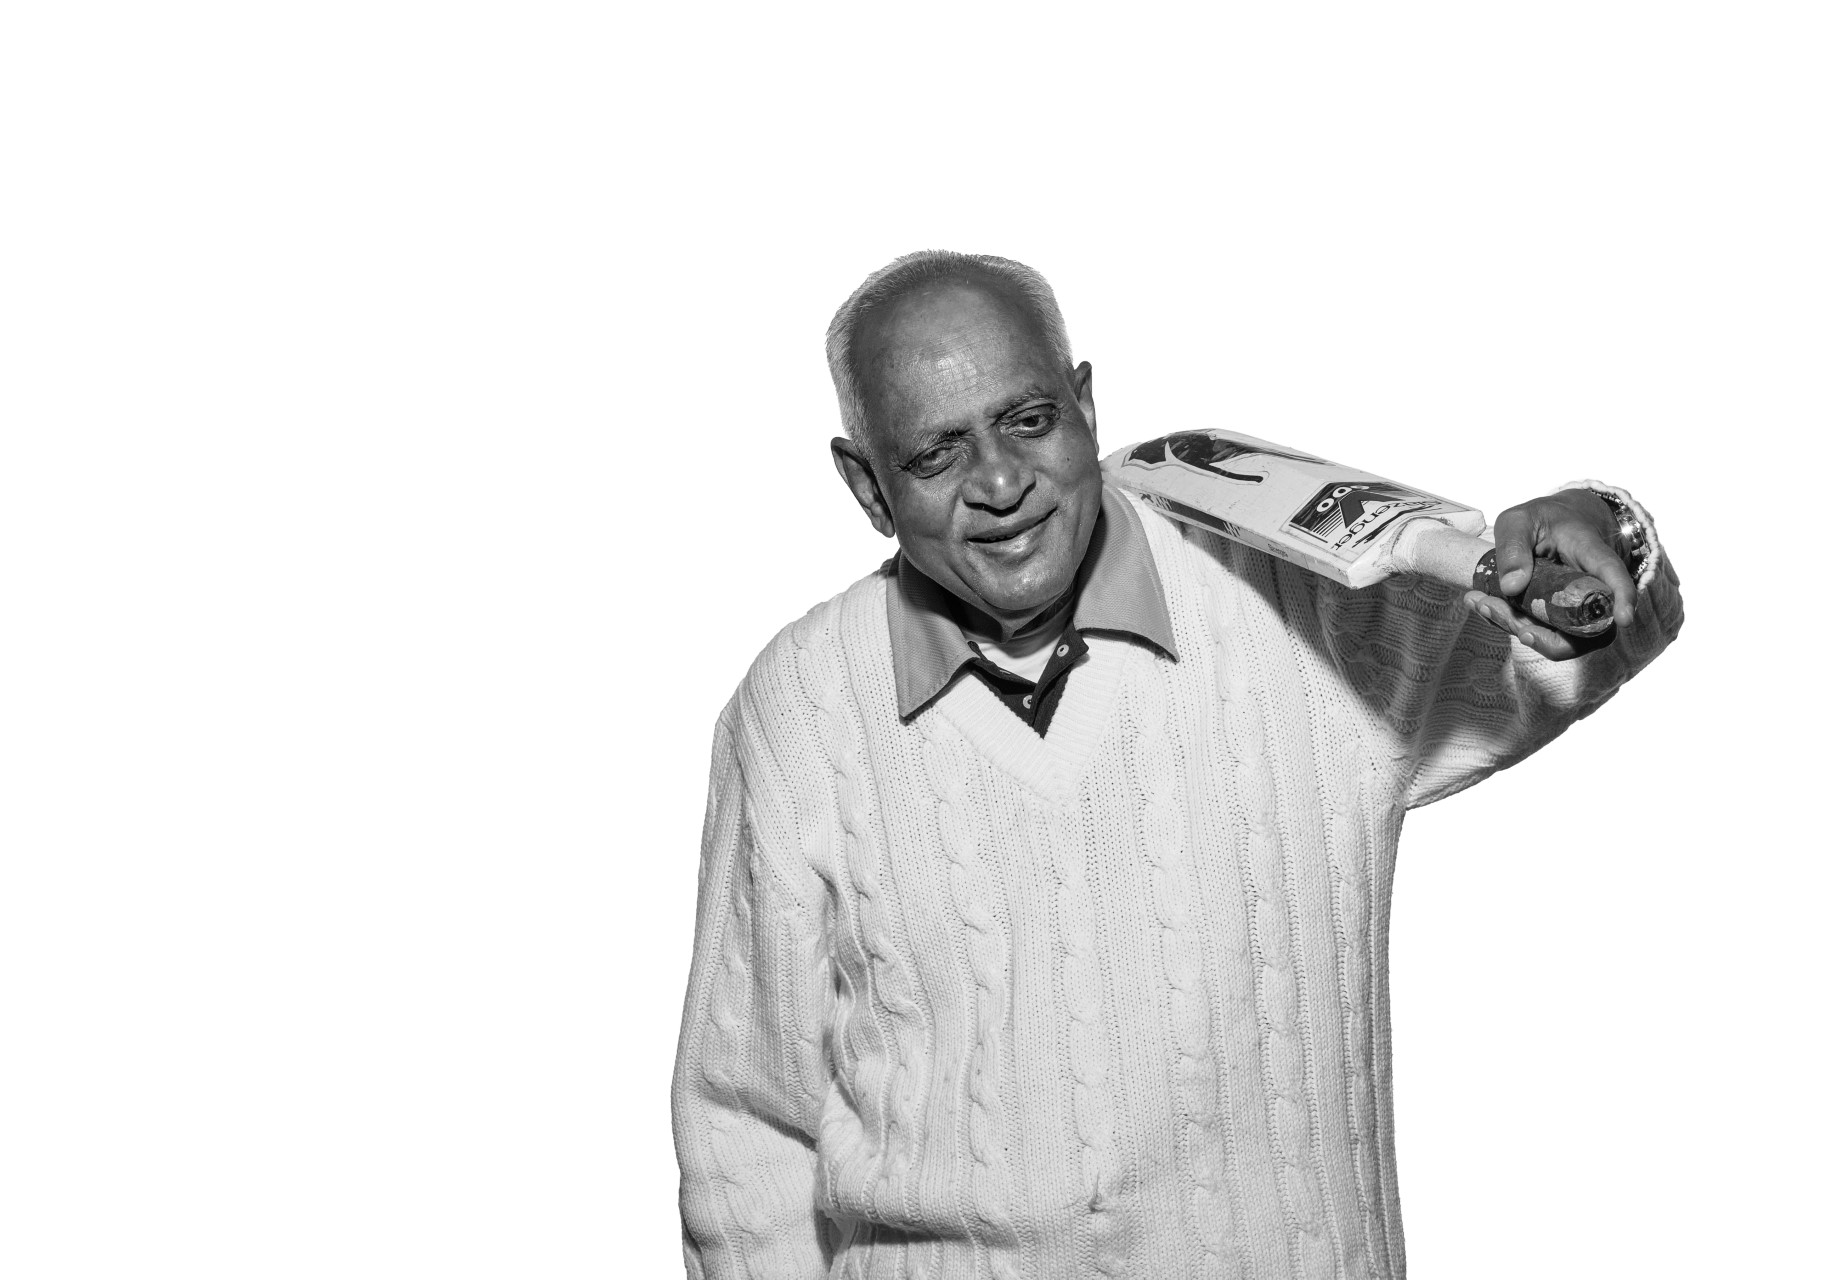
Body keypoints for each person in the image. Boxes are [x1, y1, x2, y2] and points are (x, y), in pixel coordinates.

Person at [670, 250, 1682, 1279]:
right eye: (936, 454)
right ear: (867, 486)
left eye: (1028, 420)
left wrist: (1605, 532)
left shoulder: (1293, 603)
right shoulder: (797, 709)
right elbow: (744, 1128)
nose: (1002, 483)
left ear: (1086, 403)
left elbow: (1570, 638)